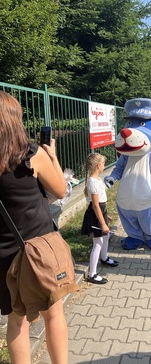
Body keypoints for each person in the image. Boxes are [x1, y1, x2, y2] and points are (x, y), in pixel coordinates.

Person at [0, 91, 69, 363]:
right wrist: (52, 156)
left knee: (16, 321)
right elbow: (61, 191)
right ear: (14, 120)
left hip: (4, 256)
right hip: (37, 252)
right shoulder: (31, 155)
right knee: (53, 314)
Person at [81, 153, 119, 285]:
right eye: (103, 164)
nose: (104, 166)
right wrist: (103, 223)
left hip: (100, 212)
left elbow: (100, 203)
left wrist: (105, 215)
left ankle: (104, 258)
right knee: (98, 243)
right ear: (98, 165)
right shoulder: (92, 182)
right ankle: (92, 274)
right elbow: (96, 205)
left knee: (106, 237)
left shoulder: (97, 179)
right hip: (95, 214)